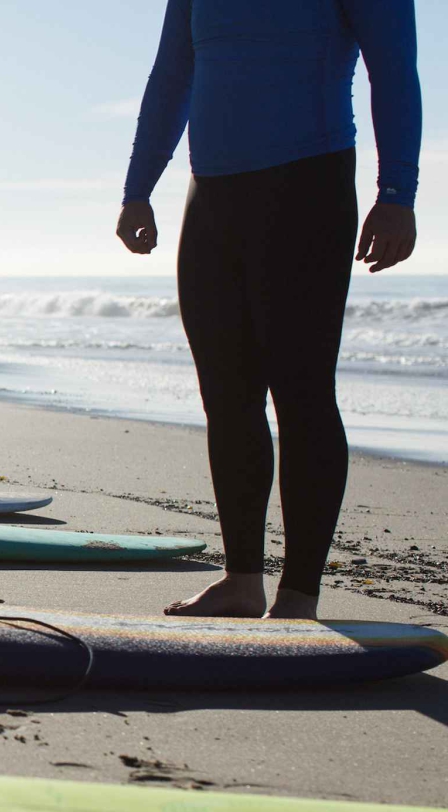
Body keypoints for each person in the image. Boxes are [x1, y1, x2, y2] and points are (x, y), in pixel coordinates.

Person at [115, 0, 421, 619]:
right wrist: (137, 188)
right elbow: (171, 74)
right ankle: (241, 579)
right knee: (226, 394)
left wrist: (397, 192)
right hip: (213, 194)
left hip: (308, 182)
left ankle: (299, 595)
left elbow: (394, 67)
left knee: (302, 392)